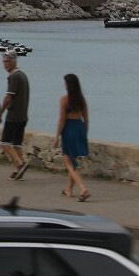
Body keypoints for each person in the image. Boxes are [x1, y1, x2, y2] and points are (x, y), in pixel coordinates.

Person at [54, 74, 90, 202]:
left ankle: (83, 188)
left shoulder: (64, 99)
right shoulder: (82, 99)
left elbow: (62, 120)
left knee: (68, 163)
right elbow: (86, 119)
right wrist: (84, 134)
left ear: (68, 85)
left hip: (69, 129)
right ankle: (69, 189)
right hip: (79, 128)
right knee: (73, 161)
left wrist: (56, 136)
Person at [0, 50, 30, 180]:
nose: (5, 65)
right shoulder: (23, 75)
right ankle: (18, 172)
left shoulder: (14, 76)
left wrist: (0, 113)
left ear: (14, 61)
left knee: (5, 143)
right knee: (17, 144)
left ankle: (20, 164)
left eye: (8, 62)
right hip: (23, 116)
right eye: (4, 62)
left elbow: (8, 98)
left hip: (14, 115)